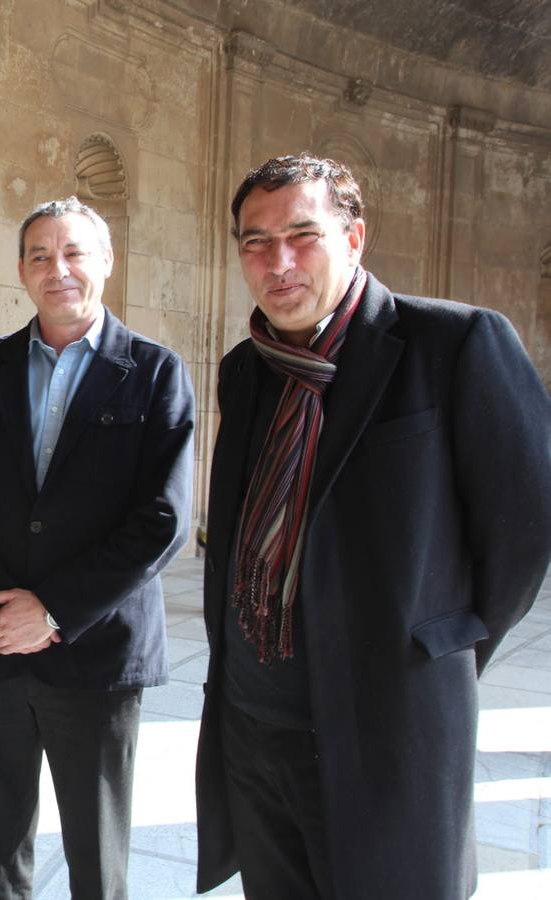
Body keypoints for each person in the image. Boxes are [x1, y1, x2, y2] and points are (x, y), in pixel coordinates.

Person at [194, 153, 551, 900]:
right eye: (255, 241)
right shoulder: (246, 368)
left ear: (355, 238)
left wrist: (441, 649)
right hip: (255, 730)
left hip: (385, 728)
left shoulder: (452, 345)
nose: (277, 261)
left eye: (303, 234)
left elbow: (525, 524)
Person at [0, 196, 195, 899]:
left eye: (74, 252)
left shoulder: (156, 372)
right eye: (41, 255)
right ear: (21, 270)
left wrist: (51, 610)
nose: (58, 268)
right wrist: (2, 609)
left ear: (105, 261)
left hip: (99, 655)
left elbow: (161, 519)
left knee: (96, 863)